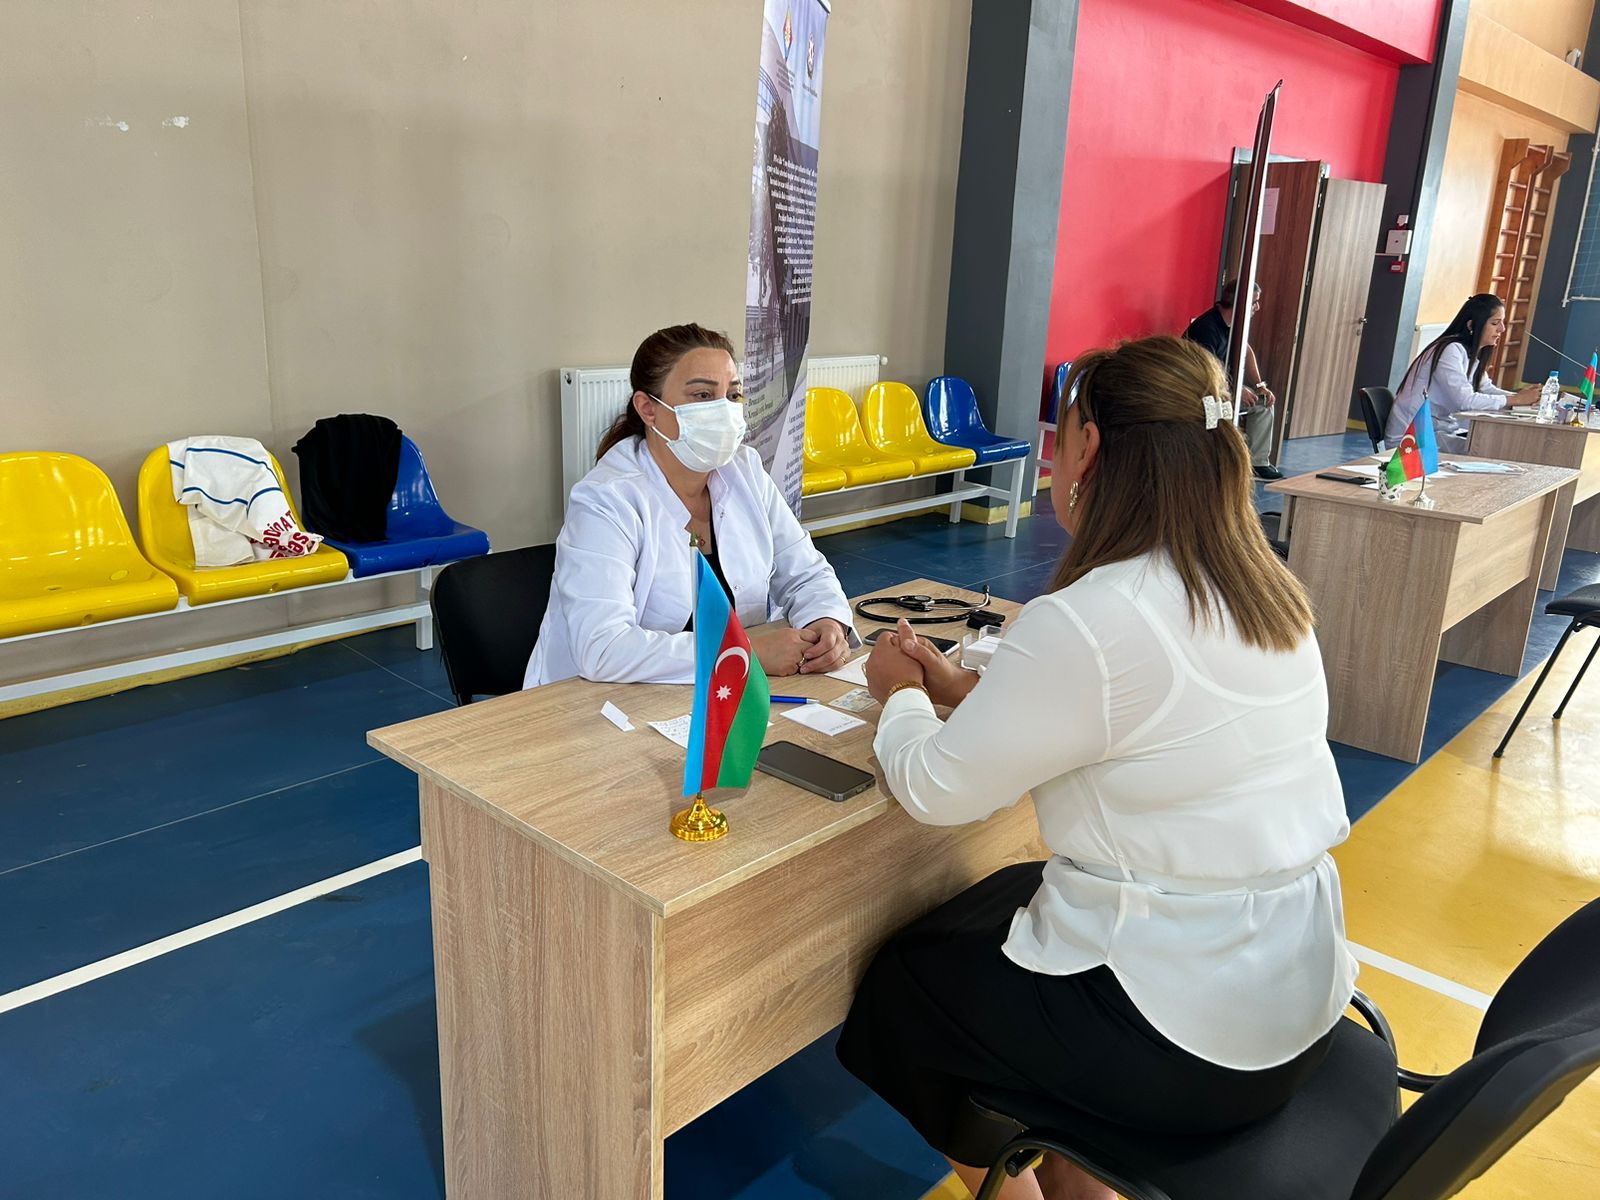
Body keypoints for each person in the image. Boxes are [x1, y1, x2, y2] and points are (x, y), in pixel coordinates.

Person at [839, 335, 1357, 1200]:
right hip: (1297, 993)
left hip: (1186, 1037)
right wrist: (969, 688)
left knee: (906, 992)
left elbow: (934, 789)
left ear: (1092, 450)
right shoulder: (1266, 591)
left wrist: (897, 691)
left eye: (1062, 433)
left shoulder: (1092, 615)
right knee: (1010, 907)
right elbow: (1138, 719)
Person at [523, 323, 857, 688]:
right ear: (648, 409)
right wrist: (744, 651)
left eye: (732, 395)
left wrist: (826, 621)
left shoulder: (744, 471)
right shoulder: (606, 499)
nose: (724, 411)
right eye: (702, 395)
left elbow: (805, 572)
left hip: (720, 692)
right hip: (600, 703)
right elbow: (603, 649)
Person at [1386, 293, 1541, 452]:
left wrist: (1523, 399)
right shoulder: (1450, 350)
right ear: (1471, 326)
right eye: (1495, 323)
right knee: (1487, 450)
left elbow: (1485, 388)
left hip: (1439, 429)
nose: (1502, 329)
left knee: (1491, 445)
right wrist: (1516, 399)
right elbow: (1464, 400)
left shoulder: (1469, 353)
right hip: (1414, 438)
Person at [1183, 279, 1281, 480]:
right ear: (1240, 303)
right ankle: (1219, 463)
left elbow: (1246, 349)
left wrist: (1259, 385)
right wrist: (1236, 389)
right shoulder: (1206, 329)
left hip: (1224, 385)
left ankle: (1257, 463)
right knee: (1225, 409)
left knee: (1263, 403)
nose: (1257, 307)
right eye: (1254, 302)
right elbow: (1204, 373)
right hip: (1201, 387)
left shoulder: (1235, 324)